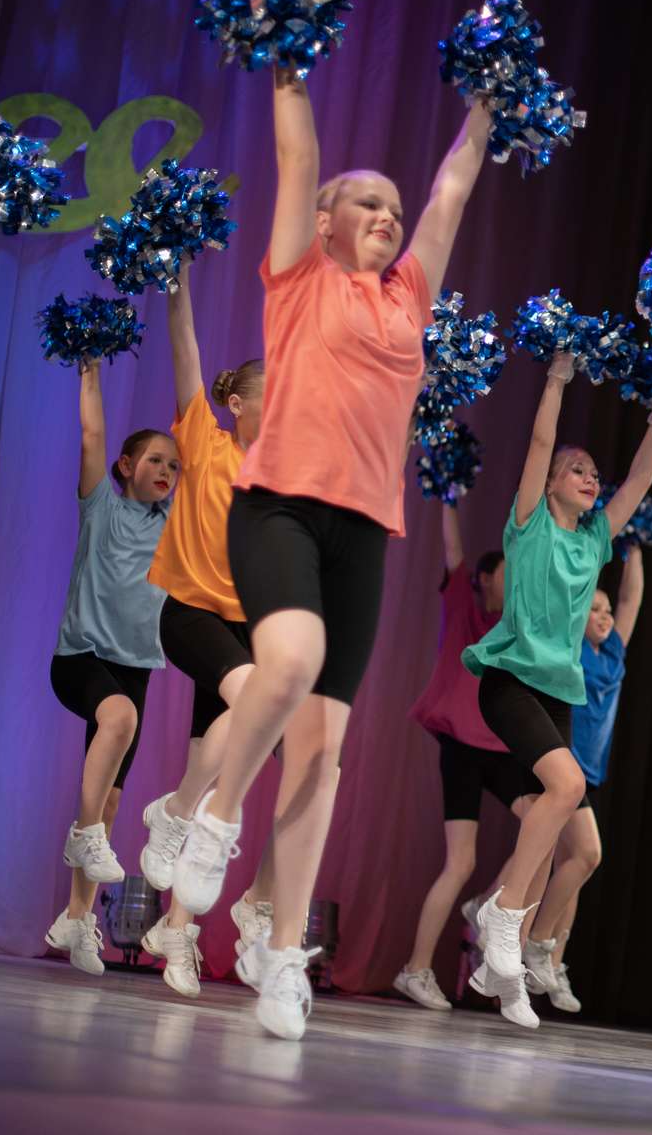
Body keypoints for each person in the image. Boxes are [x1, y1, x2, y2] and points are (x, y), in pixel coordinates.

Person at [168, 72, 495, 1041]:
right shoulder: (300, 273)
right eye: (367, 203)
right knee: (292, 657)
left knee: (325, 754)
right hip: (276, 508)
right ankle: (216, 817)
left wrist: (486, 107)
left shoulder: (409, 300)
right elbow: (297, 153)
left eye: (393, 207)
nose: (388, 217)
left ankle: (280, 953)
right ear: (323, 219)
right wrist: (290, 65)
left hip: (361, 535)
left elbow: (451, 191)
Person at [459, 353, 652, 1031]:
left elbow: (639, 481)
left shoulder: (596, 539)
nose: (589, 477)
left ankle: (507, 971)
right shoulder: (530, 523)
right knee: (566, 786)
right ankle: (502, 914)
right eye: (576, 470)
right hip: (510, 680)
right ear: (550, 483)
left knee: (562, 835)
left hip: (558, 694)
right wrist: (555, 380)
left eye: (593, 473)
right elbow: (540, 441)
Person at [124, 264, 269, 998]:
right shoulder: (206, 441)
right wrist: (177, 279)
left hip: (244, 632)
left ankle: (177, 931)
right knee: (252, 703)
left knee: (222, 779)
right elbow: (185, 345)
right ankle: (172, 811)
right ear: (237, 401)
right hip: (189, 614)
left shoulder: (284, 476)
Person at [45, 359, 177, 974]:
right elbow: (92, 435)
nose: (166, 471)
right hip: (81, 659)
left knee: (113, 801)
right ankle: (82, 835)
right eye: (155, 460)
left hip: (134, 669)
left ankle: (77, 919)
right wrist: (91, 368)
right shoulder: (101, 505)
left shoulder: (173, 524)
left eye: (174, 465)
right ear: (126, 466)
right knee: (119, 719)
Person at [395, 501, 528, 1019]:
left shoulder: (514, 623)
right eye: (506, 573)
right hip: (461, 749)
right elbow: (452, 548)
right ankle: (416, 969)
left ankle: (485, 905)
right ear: (484, 579)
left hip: (500, 748)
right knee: (460, 862)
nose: (513, 582)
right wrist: (449, 494)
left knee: (546, 820)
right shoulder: (462, 605)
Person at [523, 542, 650, 1015]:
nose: (604, 616)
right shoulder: (571, 647)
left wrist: (635, 550)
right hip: (563, 768)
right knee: (586, 855)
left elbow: (631, 600)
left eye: (606, 610)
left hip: (589, 772)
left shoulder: (613, 651)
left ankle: (552, 961)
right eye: (593, 609)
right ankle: (534, 943)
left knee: (570, 867)